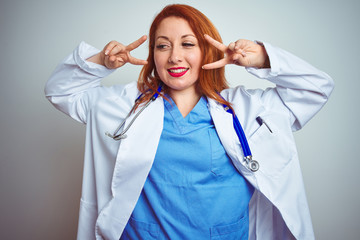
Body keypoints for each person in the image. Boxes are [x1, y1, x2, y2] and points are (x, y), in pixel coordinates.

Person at [45, 4, 334, 240]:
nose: (174, 57)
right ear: (152, 56)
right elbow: (59, 90)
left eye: (187, 44)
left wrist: (262, 58)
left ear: (207, 51)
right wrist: (100, 62)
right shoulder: (121, 106)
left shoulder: (247, 108)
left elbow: (316, 88)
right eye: (162, 46)